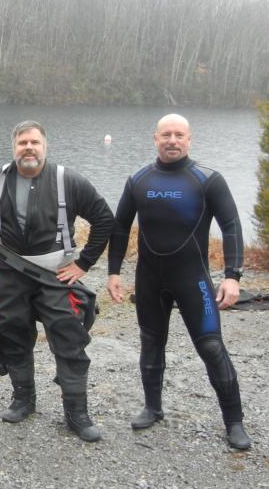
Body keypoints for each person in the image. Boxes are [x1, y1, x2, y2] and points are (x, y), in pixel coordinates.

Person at [0, 120, 114, 441]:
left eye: (34, 142)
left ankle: (77, 413)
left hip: (56, 275)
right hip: (8, 274)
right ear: (14, 147)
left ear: (45, 146)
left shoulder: (68, 181)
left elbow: (104, 219)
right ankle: (23, 399)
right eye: (22, 143)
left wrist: (84, 264)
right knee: (12, 333)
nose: (28, 148)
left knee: (69, 339)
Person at [106, 114, 251, 450]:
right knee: (150, 343)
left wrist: (232, 276)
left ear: (189, 140)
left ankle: (234, 422)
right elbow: (120, 226)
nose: (172, 140)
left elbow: (231, 226)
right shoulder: (138, 180)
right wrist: (114, 272)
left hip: (192, 278)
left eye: (179, 135)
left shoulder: (207, 179)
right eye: (166, 135)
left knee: (211, 347)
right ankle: (152, 408)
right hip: (149, 278)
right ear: (155, 139)